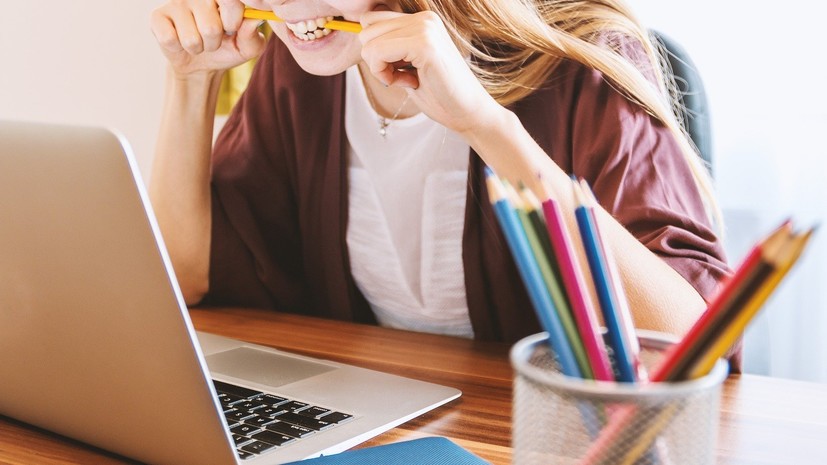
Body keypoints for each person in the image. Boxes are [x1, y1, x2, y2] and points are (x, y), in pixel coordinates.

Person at [149, 0, 730, 348]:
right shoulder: (298, 68)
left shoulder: (582, 58)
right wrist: (190, 80)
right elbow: (187, 276)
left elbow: (686, 342)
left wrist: (485, 126)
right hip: (384, 425)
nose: (288, 6)